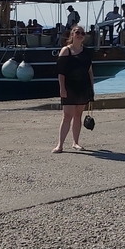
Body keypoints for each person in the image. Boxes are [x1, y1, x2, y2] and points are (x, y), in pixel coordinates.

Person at [53, 25, 95, 153]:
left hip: (83, 86)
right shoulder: (66, 50)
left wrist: (92, 88)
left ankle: (76, 143)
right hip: (69, 87)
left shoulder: (86, 52)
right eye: (77, 32)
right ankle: (60, 145)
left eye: (82, 33)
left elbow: (90, 71)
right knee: (67, 116)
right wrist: (62, 89)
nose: (80, 35)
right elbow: (61, 72)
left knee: (78, 115)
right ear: (72, 34)